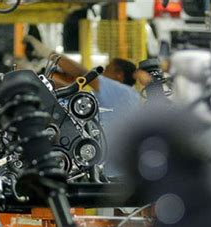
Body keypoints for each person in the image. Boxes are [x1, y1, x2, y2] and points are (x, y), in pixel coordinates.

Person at [25, 35, 141, 177]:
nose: (104, 72)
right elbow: (71, 90)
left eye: (108, 69)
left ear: (119, 75)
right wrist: (39, 79)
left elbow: (82, 73)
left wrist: (48, 54)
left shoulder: (123, 93)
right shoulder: (118, 100)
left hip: (100, 169)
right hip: (97, 168)